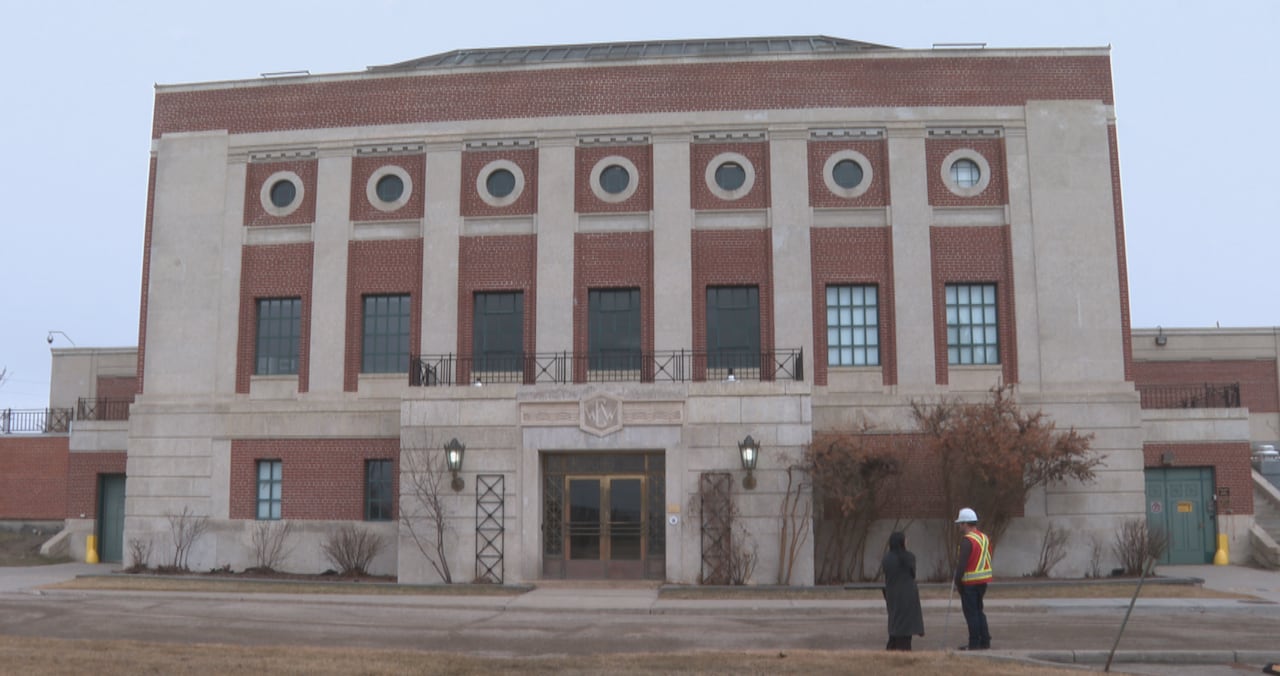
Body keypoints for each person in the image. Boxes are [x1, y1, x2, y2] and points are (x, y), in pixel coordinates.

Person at [953, 507, 993, 650]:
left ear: (965, 523)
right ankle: (985, 640)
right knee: (979, 611)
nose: (959, 526)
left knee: (971, 614)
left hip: (970, 583)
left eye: (960, 523)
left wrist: (958, 583)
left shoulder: (967, 540)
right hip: (983, 581)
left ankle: (974, 643)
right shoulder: (984, 538)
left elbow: (962, 564)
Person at [881, 531, 924, 651]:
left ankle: (892, 648)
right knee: (905, 628)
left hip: (892, 593)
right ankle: (902, 651)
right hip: (908, 594)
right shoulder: (909, 557)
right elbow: (912, 574)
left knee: (895, 623)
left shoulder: (887, 559)